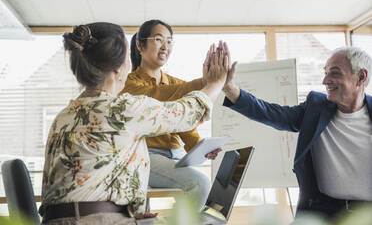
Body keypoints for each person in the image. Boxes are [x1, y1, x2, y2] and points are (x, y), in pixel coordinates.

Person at [39, 22, 229, 225]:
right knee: (209, 221)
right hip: (99, 220)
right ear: (119, 67)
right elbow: (186, 112)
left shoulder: (63, 116)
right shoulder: (123, 109)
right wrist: (216, 83)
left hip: (66, 220)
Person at [221, 46, 372, 219]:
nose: (325, 80)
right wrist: (229, 88)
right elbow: (271, 113)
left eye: (335, 73)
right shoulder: (316, 107)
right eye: (325, 73)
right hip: (321, 212)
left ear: (361, 77)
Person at [120, 19, 222, 209]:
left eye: (169, 41)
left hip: (176, 156)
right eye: (159, 40)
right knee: (200, 184)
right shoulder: (127, 84)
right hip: (144, 156)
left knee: (216, 195)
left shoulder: (177, 84)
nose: (165, 47)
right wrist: (205, 83)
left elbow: (183, 123)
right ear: (140, 45)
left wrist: (199, 147)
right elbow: (158, 98)